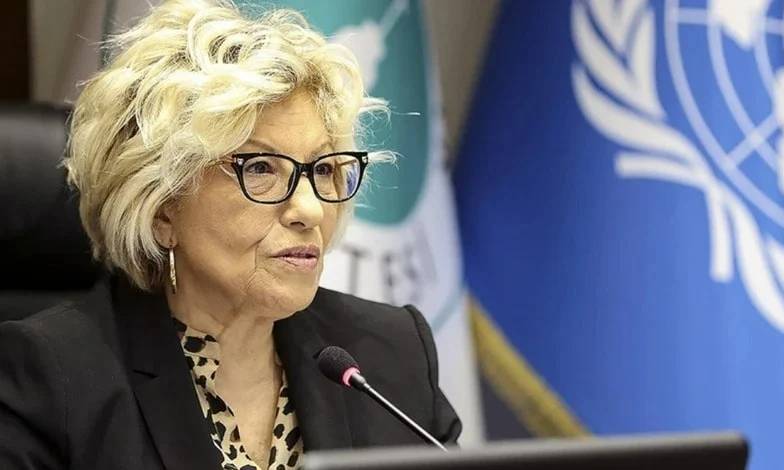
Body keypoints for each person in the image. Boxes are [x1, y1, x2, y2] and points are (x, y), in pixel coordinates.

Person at [0, 1, 461, 469]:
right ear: (161, 210)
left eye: (323, 169)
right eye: (260, 168)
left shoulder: (387, 356)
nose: (310, 209)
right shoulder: (53, 379)